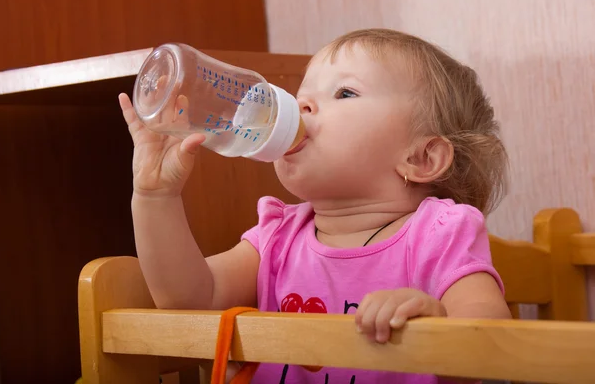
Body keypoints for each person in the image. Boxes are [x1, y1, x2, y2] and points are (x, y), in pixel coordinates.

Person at [119, 28, 512, 384]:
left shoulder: (439, 232)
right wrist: (156, 196)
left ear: (420, 159)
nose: (301, 104)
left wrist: (437, 323)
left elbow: (493, 337)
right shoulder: (277, 236)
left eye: (344, 93)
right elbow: (188, 299)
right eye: (302, 94)